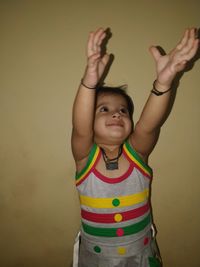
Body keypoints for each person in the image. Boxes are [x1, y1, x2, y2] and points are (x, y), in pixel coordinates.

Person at [71, 28, 199, 267]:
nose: (117, 114)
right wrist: (89, 84)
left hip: (141, 256)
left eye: (123, 110)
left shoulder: (136, 153)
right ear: (89, 118)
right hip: (95, 259)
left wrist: (163, 82)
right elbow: (80, 129)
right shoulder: (84, 157)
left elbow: (148, 126)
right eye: (104, 109)